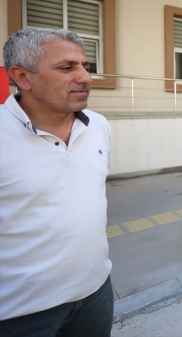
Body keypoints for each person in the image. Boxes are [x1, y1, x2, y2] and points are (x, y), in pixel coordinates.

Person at [0, 28, 113, 337]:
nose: (86, 78)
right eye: (67, 68)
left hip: (96, 295)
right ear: (22, 76)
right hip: (20, 314)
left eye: (86, 67)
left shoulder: (99, 126)